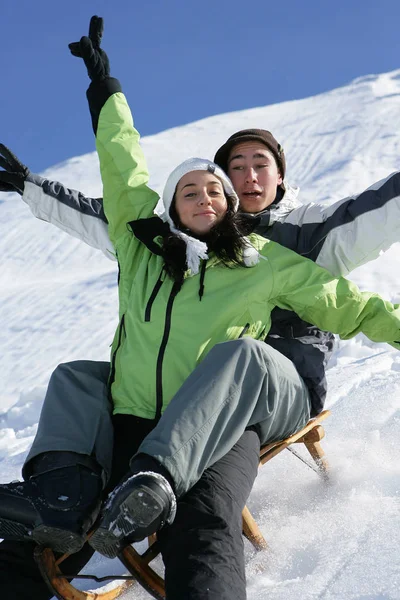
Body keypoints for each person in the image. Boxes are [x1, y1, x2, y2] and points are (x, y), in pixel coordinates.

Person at [1, 17, 400, 600]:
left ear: (253, 194)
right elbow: (120, 168)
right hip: (156, 412)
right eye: (192, 189)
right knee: (77, 380)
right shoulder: (143, 252)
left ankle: (155, 484)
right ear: (168, 210)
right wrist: (103, 88)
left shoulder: (269, 254)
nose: (210, 192)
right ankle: (62, 497)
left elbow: (350, 304)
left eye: (222, 188)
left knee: (232, 394)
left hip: (248, 405)